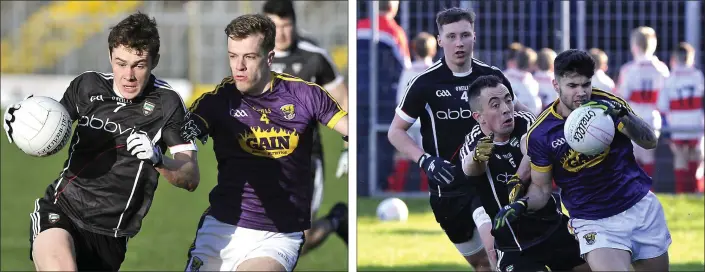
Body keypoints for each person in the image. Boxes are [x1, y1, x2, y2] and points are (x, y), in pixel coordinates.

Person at [2, 12, 200, 271]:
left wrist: (158, 159)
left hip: (111, 236)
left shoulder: (168, 104)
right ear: (110, 57)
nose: (128, 75)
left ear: (155, 61)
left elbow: (191, 176)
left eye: (139, 65)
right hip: (62, 209)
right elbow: (49, 131)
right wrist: (23, 124)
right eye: (120, 63)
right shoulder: (86, 86)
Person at [181, 14, 348, 271]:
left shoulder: (305, 95)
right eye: (233, 56)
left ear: (269, 57)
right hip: (222, 228)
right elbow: (180, 138)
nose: (239, 66)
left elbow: (351, 128)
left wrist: (351, 145)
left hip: (278, 234)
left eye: (249, 57)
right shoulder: (216, 101)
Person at [497, 49, 670, 271]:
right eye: (572, 86)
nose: (581, 92)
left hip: (639, 207)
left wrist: (622, 117)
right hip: (594, 221)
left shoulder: (607, 103)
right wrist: (522, 204)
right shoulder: (541, 133)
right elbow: (541, 188)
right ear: (556, 85)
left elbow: (649, 141)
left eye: (586, 84)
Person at [388, 7, 531, 271]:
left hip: (489, 179)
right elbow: (395, 131)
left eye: (465, 35)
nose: (459, 43)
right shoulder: (424, 84)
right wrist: (426, 161)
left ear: (474, 37)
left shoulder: (492, 77)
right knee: (480, 264)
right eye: (452, 36)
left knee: (497, 254)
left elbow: (523, 114)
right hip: (448, 188)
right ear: (440, 40)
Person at [459, 75, 587, 272]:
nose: (505, 109)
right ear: (479, 117)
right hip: (514, 243)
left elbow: (531, 145)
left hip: (552, 226)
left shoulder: (525, 121)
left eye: (508, 100)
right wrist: (478, 158)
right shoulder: (473, 142)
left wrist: (517, 177)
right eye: (495, 105)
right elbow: (470, 167)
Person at [262, 0, 349, 254]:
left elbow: (342, 100)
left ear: (295, 23)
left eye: (286, 25)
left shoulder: (314, 56)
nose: (281, 33)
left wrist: (347, 144)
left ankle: (337, 218)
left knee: (297, 243)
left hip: (305, 159)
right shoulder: (253, 55)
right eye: (274, 26)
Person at [615, 26, 670, 177]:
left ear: (634, 46)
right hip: (652, 117)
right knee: (649, 159)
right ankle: (648, 193)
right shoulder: (662, 69)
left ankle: (633, 194)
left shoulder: (629, 70)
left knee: (631, 157)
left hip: (632, 117)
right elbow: (665, 101)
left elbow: (621, 96)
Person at [387, 32, 437, 192]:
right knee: (428, 157)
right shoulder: (437, 71)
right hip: (429, 123)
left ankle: (396, 190)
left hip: (408, 122)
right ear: (434, 51)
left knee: (402, 155)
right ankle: (428, 191)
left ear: (414, 50)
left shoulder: (407, 71)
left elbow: (399, 99)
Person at [658, 42, 705, 193]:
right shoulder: (698, 76)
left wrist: (667, 128)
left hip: (677, 125)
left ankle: (681, 193)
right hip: (695, 124)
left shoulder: (670, 79)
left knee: (680, 158)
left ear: (674, 59)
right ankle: (695, 192)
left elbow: (662, 106)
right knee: (695, 158)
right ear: (691, 58)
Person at [504, 46, 542, 114]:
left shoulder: (504, 75)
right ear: (531, 64)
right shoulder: (533, 83)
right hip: (528, 117)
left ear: (516, 61)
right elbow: (536, 106)